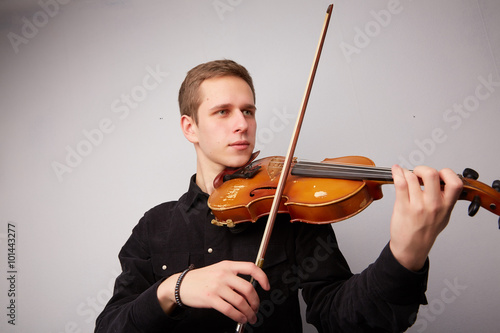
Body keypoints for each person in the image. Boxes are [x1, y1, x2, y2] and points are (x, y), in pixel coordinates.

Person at [95, 59, 463, 332]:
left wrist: (404, 256)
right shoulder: (154, 226)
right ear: (189, 127)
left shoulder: (290, 212)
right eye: (222, 112)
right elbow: (110, 327)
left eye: (248, 111)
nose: (242, 124)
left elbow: (342, 318)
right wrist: (174, 288)